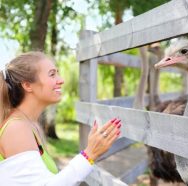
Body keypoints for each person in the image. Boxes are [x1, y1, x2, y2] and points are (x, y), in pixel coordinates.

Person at [0, 51, 122, 185]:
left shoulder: (30, 125)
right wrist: (89, 154)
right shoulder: (17, 129)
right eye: (52, 74)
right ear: (28, 85)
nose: (61, 80)